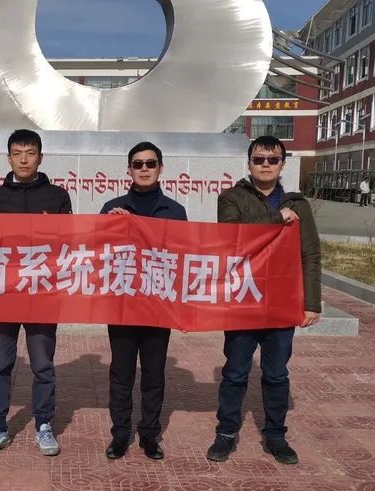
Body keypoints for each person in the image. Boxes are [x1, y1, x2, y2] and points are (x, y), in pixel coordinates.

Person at [207, 135, 321, 465]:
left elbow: (310, 254)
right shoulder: (231, 198)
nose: (266, 165)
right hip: (243, 299)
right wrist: (276, 219)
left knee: (276, 375)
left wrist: (312, 302)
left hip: (282, 302)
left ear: (282, 164)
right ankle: (226, 432)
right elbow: (232, 238)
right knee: (235, 372)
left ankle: (275, 435)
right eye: (259, 159)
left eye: (272, 159)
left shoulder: (298, 205)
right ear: (249, 163)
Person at [0, 129, 72, 457]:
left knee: (42, 364)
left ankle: (44, 423)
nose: (24, 159)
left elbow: (66, 243)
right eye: (17, 153)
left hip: (42, 294)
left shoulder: (57, 197)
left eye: (30, 153)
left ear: (40, 158)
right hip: (3, 295)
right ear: (8, 158)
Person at [100, 142, 187, 461]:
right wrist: (111, 227)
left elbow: (183, 257)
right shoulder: (112, 208)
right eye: (138, 164)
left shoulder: (175, 212)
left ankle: (150, 435)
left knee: (153, 375)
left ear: (161, 168)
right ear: (129, 170)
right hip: (122, 306)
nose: (145, 169)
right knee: (121, 374)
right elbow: (98, 255)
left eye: (151, 163)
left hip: (157, 306)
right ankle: (120, 434)